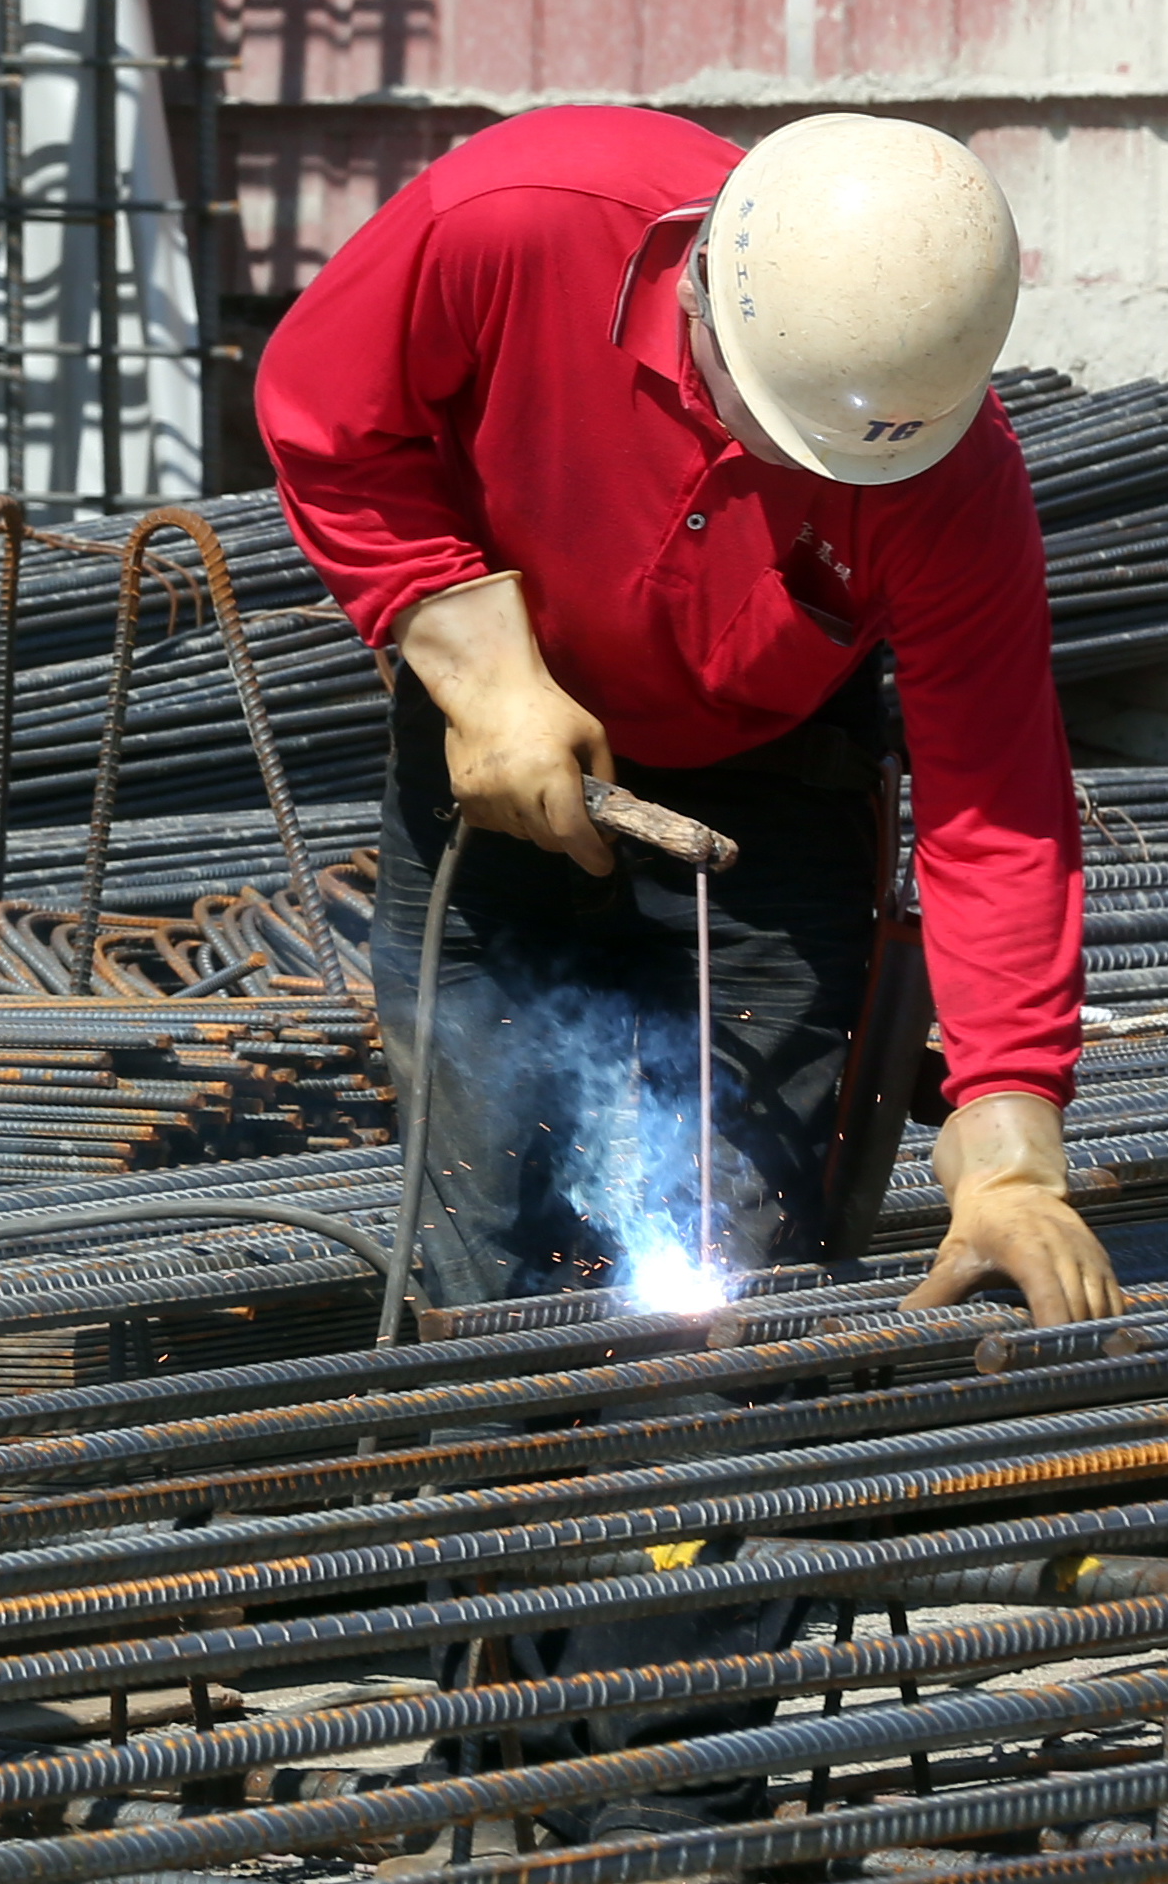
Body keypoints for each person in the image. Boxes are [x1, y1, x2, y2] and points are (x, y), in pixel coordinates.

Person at [254, 103, 1118, 1328]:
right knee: (483, 1236)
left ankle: (704, 1449)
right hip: (502, 735)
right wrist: (483, 673)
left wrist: (1011, 1144)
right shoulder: (514, 221)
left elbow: (995, 807)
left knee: (739, 1271)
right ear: (701, 292)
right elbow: (324, 417)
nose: (800, 474)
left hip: (778, 789)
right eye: (782, 433)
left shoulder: (950, 480)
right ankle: (483, 1439)